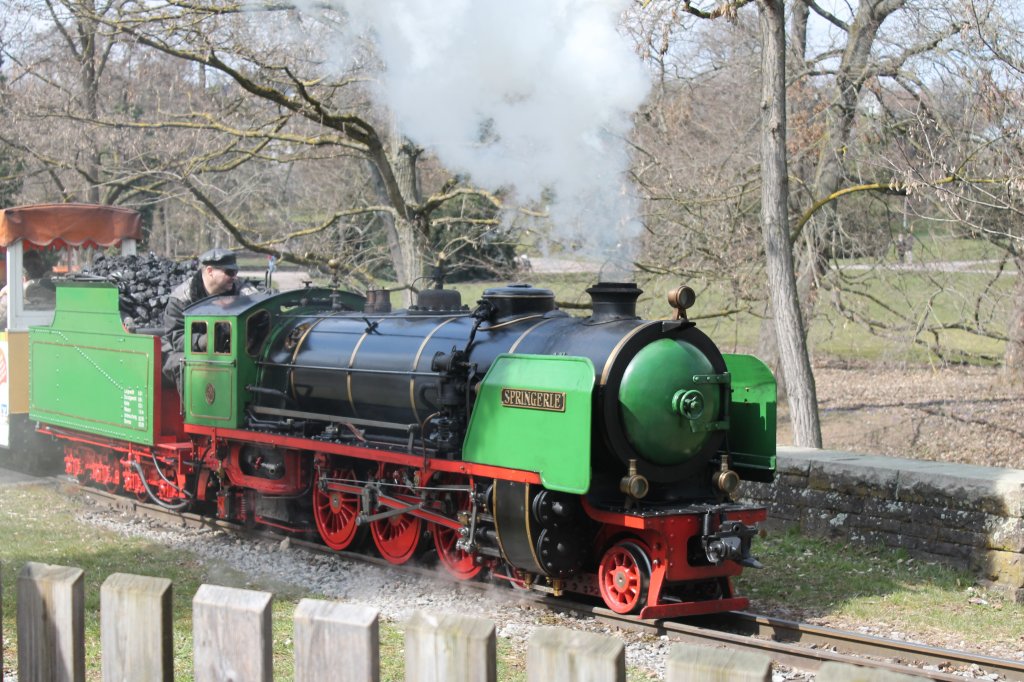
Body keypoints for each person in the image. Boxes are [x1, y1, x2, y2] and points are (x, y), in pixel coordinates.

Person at [161, 248, 257, 385]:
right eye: (229, 272)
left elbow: (255, 298)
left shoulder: (240, 289)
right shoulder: (181, 299)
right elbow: (176, 337)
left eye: (236, 272)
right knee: (189, 364)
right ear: (210, 271)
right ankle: (193, 406)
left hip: (227, 349)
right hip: (184, 350)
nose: (234, 277)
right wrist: (203, 341)